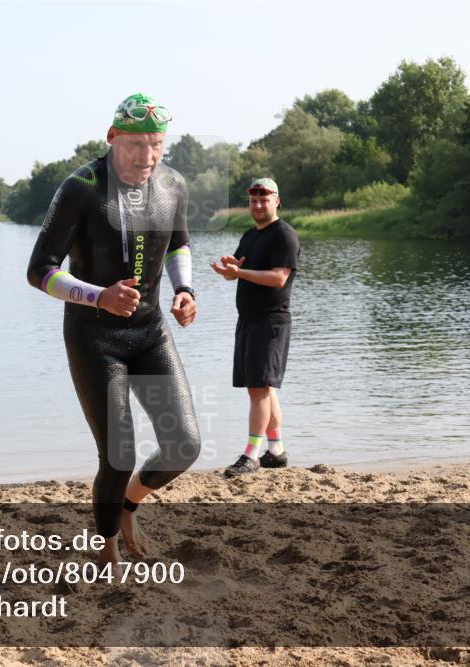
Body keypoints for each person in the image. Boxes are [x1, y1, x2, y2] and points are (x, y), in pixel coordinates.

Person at [26, 93, 201, 566]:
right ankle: (104, 545)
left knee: (184, 444)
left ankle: (128, 507)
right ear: (112, 138)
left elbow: (179, 244)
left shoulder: (173, 185)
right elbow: (39, 271)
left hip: (149, 332)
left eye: (157, 145)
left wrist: (185, 291)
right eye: (136, 145)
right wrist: (98, 295)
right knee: (119, 454)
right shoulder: (81, 187)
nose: (147, 157)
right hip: (94, 337)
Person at [210, 178, 300, 476]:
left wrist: (241, 272)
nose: (258, 204)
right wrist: (231, 268)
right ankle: (276, 450)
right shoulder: (250, 235)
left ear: (277, 201)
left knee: (257, 389)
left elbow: (278, 278)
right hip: (248, 319)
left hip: (271, 320)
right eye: (253, 200)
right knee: (264, 387)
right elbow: (238, 273)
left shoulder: (284, 235)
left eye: (264, 199)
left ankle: (251, 455)